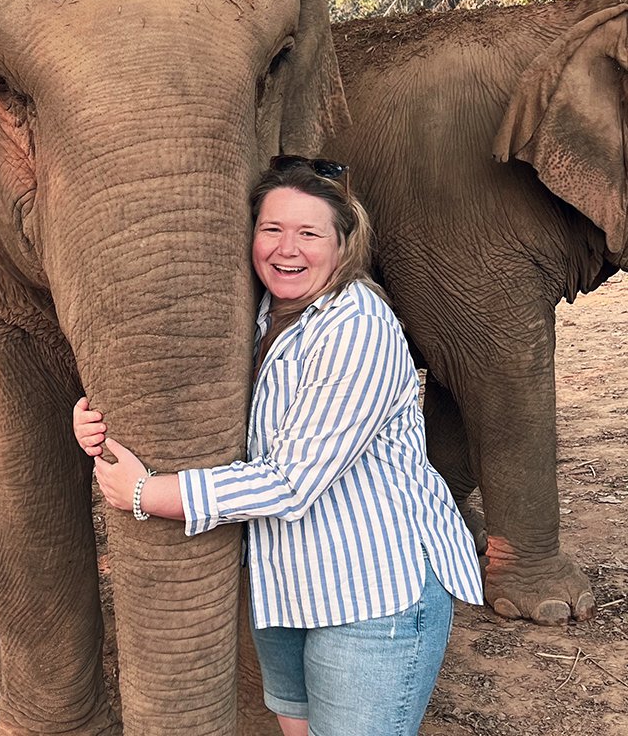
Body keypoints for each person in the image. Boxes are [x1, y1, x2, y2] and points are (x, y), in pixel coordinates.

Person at [73, 155, 484, 736]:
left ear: (343, 244)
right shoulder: (261, 315)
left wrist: (146, 494)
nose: (287, 249)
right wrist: (98, 422)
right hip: (287, 584)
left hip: (373, 594)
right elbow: (198, 413)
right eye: (272, 229)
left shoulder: (357, 325)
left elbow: (291, 482)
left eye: (309, 233)